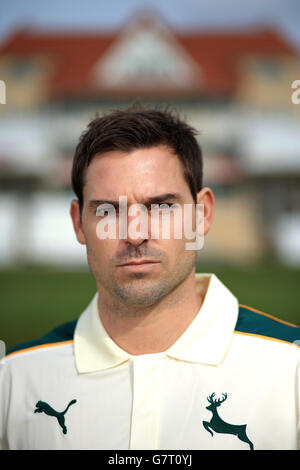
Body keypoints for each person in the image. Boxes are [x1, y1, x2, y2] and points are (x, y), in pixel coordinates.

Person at [1, 106, 299, 451]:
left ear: (201, 215)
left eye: (161, 207)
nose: (135, 233)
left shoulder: (292, 368)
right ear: (78, 223)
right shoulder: (13, 380)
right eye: (108, 210)